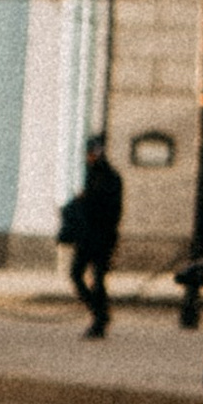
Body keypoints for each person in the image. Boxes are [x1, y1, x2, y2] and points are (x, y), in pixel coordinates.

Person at [60, 134, 122, 338]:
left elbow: (110, 211)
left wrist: (84, 204)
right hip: (89, 237)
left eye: (92, 153)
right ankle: (99, 313)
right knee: (79, 275)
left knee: (96, 279)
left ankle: (100, 318)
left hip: (100, 238)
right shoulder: (94, 175)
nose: (90, 157)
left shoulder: (109, 178)